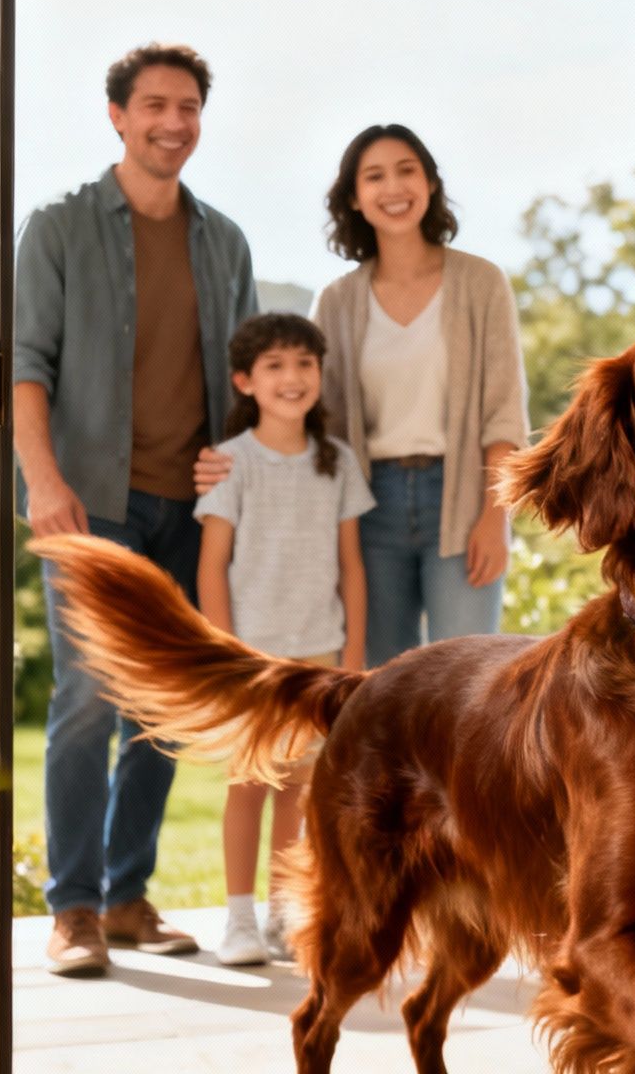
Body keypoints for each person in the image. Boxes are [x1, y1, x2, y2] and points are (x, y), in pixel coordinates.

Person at [13, 42, 259, 977]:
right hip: (90, 506)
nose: (173, 122)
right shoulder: (59, 227)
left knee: (164, 707)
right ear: (117, 115)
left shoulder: (223, 239)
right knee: (83, 700)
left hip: (189, 514)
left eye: (188, 106)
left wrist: (234, 478)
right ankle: (71, 907)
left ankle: (126, 897)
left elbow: (238, 382)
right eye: (154, 105)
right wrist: (44, 483)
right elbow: (26, 368)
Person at [197, 124, 528, 666]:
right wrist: (229, 459)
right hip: (370, 502)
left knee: (469, 678)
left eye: (406, 171)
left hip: (463, 498)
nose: (393, 188)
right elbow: (301, 411)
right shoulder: (337, 300)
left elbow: (502, 414)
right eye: (374, 176)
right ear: (354, 197)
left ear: (430, 184)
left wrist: (496, 517)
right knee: (381, 683)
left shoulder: (481, 282)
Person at [192, 313, 371, 965]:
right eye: (274, 366)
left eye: (304, 364)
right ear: (245, 380)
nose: (292, 378)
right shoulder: (230, 463)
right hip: (256, 662)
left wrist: (352, 659)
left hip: (320, 656)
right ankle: (237, 919)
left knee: (299, 788)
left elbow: (351, 564)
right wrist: (229, 657)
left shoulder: (339, 463)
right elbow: (212, 564)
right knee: (248, 785)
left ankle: (279, 913)